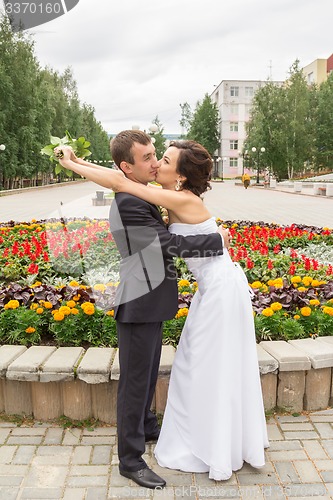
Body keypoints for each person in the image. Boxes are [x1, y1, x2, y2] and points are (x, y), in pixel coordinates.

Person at [56, 132, 231, 489]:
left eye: (157, 156)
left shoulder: (136, 189)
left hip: (151, 299)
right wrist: (216, 241)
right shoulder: (131, 202)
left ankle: (148, 426)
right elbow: (166, 245)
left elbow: (114, 175)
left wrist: (74, 161)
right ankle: (130, 460)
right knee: (135, 383)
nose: (155, 163)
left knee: (148, 373)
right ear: (127, 167)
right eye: (148, 158)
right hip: (139, 301)